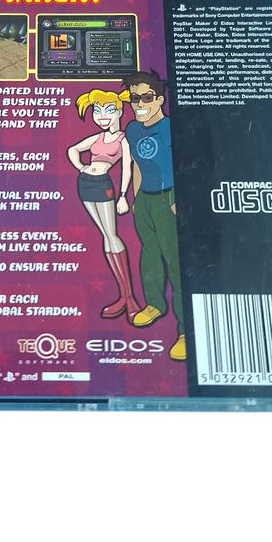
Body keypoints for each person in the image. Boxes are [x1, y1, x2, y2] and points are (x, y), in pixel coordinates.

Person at [122, 69, 185, 361]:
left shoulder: (172, 128)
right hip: (145, 200)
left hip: (168, 198)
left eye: (146, 97)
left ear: (159, 99)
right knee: (149, 255)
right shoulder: (132, 130)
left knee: (175, 261)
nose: (139, 104)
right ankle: (155, 305)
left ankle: (184, 330)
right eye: (134, 98)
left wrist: (177, 199)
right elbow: (137, 164)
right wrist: (136, 199)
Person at [67, 89, 142, 323]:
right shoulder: (97, 138)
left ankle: (129, 298)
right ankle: (123, 297)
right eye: (97, 111)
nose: (102, 116)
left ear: (119, 111)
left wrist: (123, 196)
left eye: (108, 110)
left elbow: (127, 168)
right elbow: (72, 149)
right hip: (85, 184)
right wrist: (81, 167)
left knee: (112, 235)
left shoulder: (123, 139)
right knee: (105, 236)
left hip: (103, 185)